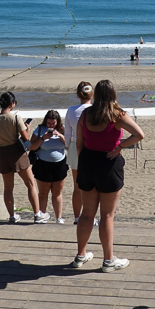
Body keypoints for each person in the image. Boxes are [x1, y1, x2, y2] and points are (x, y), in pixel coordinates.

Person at [70, 79, 145, 272]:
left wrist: (84, 161)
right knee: (107, 215)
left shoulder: (86, 114)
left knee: (87, 213)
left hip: (87, 163)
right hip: (108, 164)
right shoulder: (117, 114)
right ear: (113, 94)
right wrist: (120, 147)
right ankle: (108, 261)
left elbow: (79, 143)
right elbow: (139, 134)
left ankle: (80, 255)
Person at [0, 92, 44, 223]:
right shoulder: (15, 118)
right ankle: (37, 214)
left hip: (3, 153)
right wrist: (28, 128)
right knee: (30, 184)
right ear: (12, 104)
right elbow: (26, 138)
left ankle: (12, 216)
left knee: (8, 188)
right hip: (17, 152)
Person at [29, 110, 69, 223]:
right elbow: (32, 147)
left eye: (53, 123)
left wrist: (60, 136)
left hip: (59, 165)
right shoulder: (40, 129)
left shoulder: (63, 129)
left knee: (57, 192)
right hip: (43, 165)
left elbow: (69, 146)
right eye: (49, 123)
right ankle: (42, 216)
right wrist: (43, 138)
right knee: (43, 193)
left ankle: (58, 218)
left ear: (57, 122)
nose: (51, 126)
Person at [64, 82, 94, 224]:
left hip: (74, 146)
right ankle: (90, 217)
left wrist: (68, 148)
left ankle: (77, 218)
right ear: (92, 94)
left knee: (77, 187)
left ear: (78, 94)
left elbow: (67, 133)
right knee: (92, 186)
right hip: (91, 147)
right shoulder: (94, 109)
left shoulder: (71, 110)